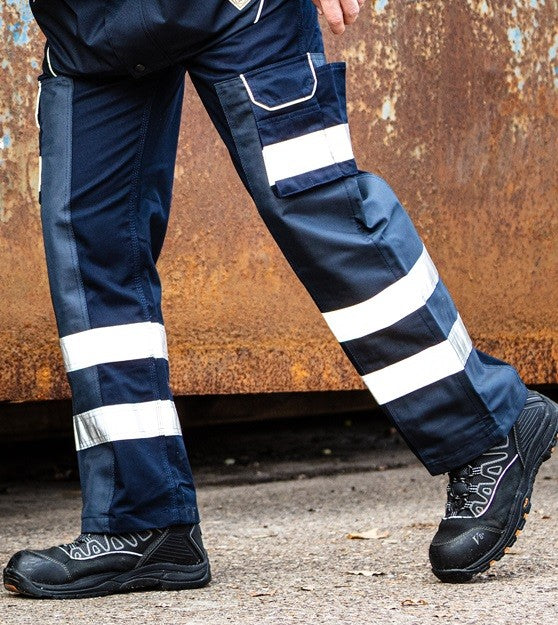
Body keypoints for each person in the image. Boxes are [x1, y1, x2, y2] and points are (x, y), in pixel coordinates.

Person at [2, 0, 556, 599]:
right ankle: (142, 520)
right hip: (93, 27)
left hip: (239, 10)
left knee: (315, 204)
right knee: (92, 246)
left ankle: (485, 429)